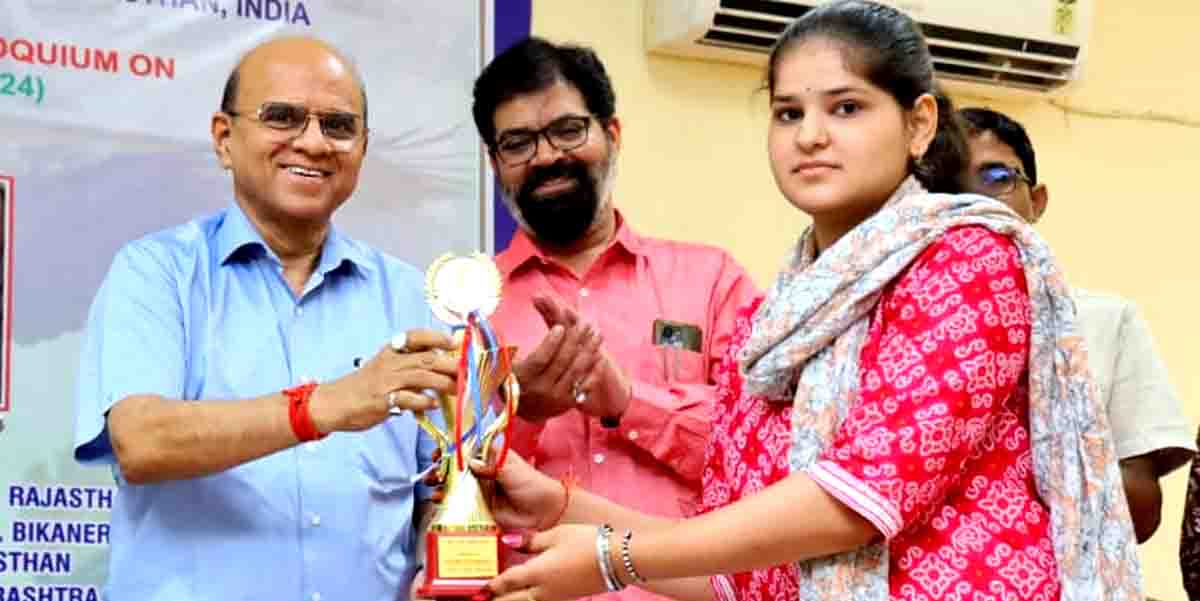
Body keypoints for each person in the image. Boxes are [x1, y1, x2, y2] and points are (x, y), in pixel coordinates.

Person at [474, 2, 1144, 601]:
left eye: (845, 107)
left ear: (919, 124)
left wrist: (612, 557)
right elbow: (740, 568)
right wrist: (563, 504)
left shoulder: (968, 261)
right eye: (788, 112)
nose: (811, 134)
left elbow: (858, 498)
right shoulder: (770, 327)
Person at [73, 37, 458, 601]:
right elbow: (141, 440)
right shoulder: (156, 272)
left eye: (338, 125)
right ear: (224, 139)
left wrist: (440, 561)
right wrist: (323, 407)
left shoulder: (412, 295)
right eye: (282, 117)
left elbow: (442, 482)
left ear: (363, 149)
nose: (313, 142)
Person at [470, 36, 759, 600]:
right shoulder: (471, 304)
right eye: (518, 143)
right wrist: (520, 417)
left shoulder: (712, 281)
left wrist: (629, 404)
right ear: (494, 162)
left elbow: (764, 455)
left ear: (613, 134)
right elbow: (440, 497)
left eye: (568, 130)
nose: (547, 155)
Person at [957, 106, 1195, 543]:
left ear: (1038, 201)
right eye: (945, 185)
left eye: (996, 179)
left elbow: (1142, 517)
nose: (973, 201)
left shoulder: (1104, 321)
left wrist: (1032, 454)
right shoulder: (883, 321)